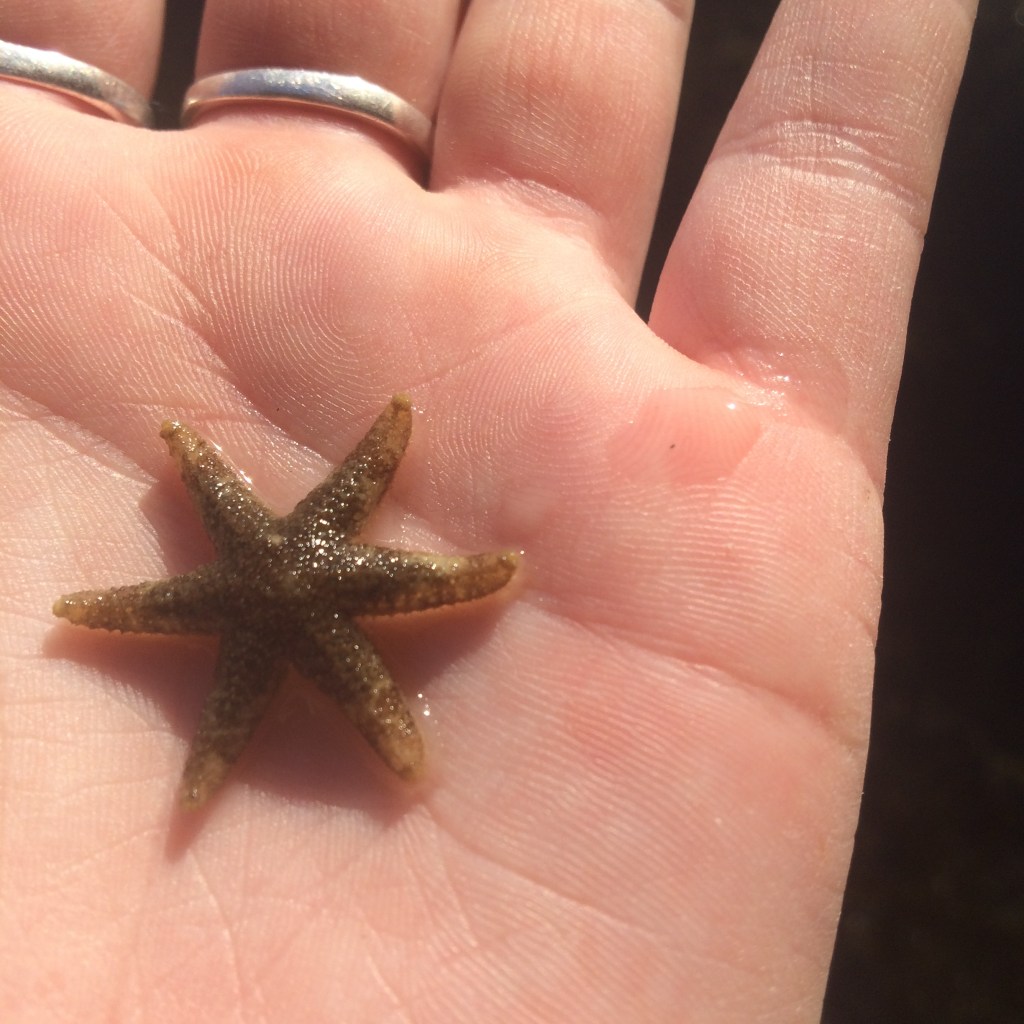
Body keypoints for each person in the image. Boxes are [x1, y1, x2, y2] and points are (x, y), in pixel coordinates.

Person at [0, 0, 977, 1020]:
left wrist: (209, 456)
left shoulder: (283, 576)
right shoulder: (280, 578)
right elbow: (304, 513)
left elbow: (324, 513)